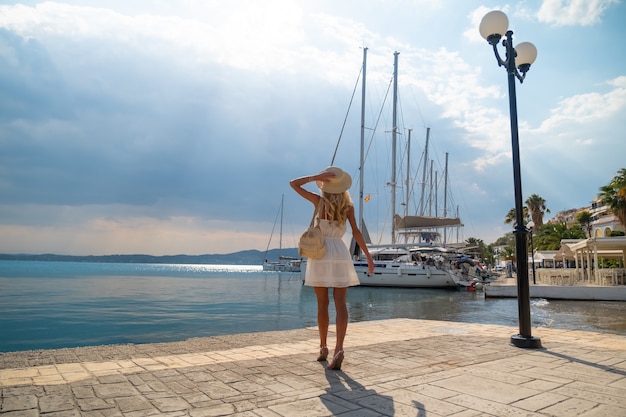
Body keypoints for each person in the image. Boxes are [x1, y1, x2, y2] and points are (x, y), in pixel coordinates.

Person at [290, 166, 375, 370]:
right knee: (340, 303)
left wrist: (314, 177)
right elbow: (356, 232)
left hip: (320, 252)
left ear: (326, 185)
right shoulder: (348, 206)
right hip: (339, 252)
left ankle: (323, 347)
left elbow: (293, 184)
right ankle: (339, 349)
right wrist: (369, 257)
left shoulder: (319, 202)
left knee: (322, 304)